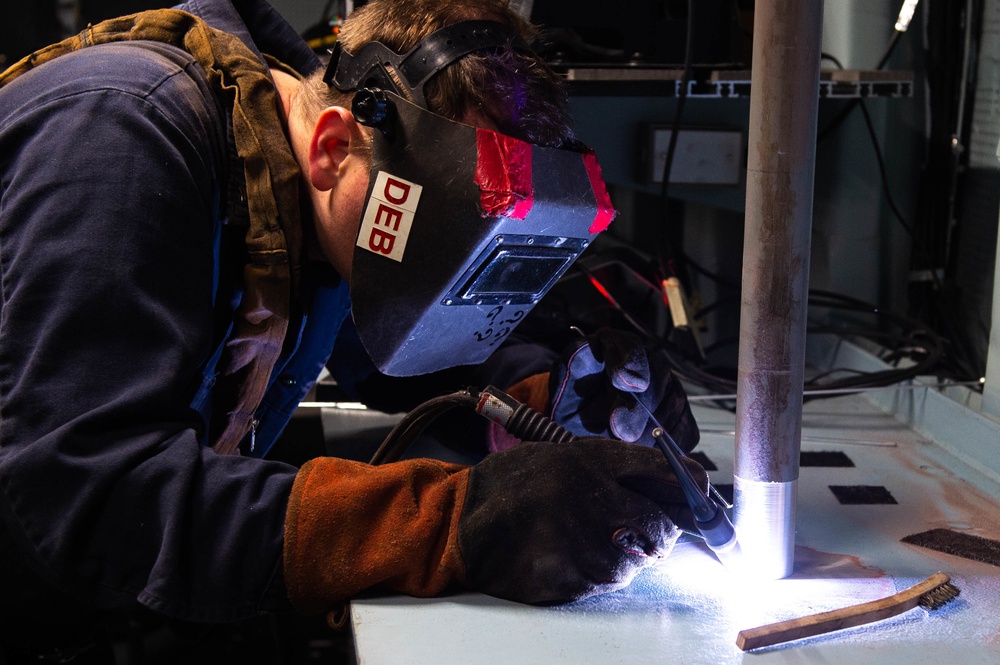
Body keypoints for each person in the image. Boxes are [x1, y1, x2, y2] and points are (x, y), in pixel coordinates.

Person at [0, 0, 703, 660]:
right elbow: (90, 493)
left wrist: (546, 398)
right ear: (336, 148)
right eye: (440, 242)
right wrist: (451, 522)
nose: (447, 283)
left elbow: (390, 355)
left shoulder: (314, 195)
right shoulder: (125, 134)